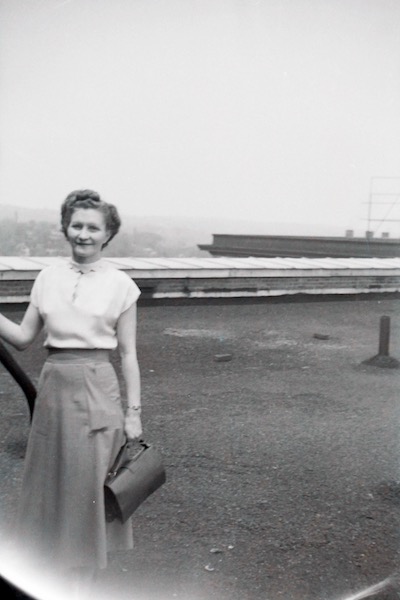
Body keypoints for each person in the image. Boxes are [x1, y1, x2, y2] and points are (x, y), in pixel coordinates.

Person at [0, 190, 142, 597]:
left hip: (97, 387)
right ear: (65, 227)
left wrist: (133, 413)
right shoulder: (47, 277)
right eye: (76, 225)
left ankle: (83, 586)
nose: (83, 234)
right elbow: (24, 338)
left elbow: (130, 355)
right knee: (52, 487)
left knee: (88, 491)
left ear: (108, 234)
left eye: (92, 227)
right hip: (53, 387)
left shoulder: (122, 285)